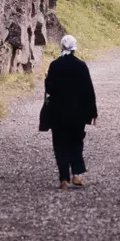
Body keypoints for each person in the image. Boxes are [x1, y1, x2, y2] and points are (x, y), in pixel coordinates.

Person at [43, 35, 98, 190]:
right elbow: (88, 90)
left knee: (60, 144)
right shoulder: (81, 66)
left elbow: (50, 89)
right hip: (77, 113)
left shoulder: (54, 65)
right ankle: (76, 174)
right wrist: (93, 112)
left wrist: (47, 80)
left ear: (61, 47)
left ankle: (64, 179)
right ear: (75, 48)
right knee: (76, 142)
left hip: (57, 112)